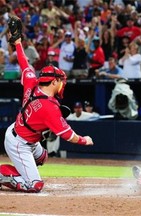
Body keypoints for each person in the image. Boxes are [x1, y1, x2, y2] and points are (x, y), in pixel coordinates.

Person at [0, 16, 93, 193]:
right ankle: (3, 174)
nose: (62, 84)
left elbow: (24, 63)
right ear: (53, 82)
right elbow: (69, 136)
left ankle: (24, 169)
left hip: (23, 134)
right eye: (60, 81)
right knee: (35, 185)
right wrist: (85, 140)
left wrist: (18, 43)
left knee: (42, 157)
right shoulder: (50, 107)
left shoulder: (31, 81)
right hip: (19, 143)